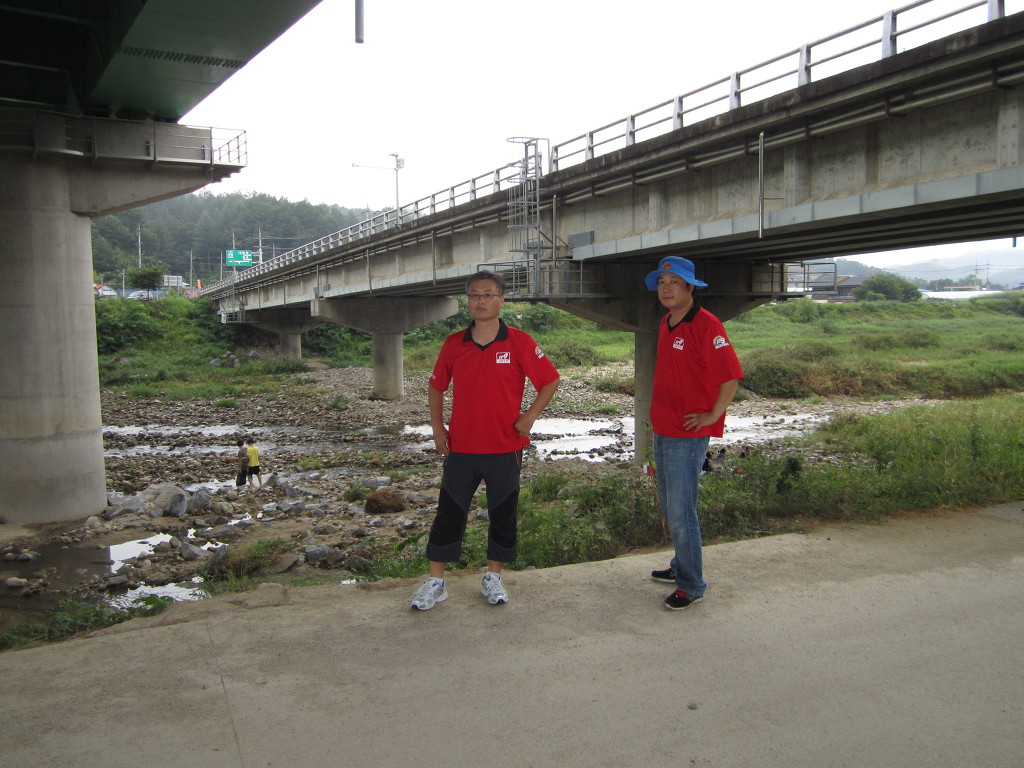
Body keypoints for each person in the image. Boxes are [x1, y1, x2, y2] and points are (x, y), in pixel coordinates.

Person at [411, 270, 560, 611]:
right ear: (468, 301)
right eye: (474, 295)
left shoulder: (520, 342)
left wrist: (530, 416)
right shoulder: (454, 343)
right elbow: (436, 386)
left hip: (505, 447)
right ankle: (436, 582)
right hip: (461, 447)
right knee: (448, 513)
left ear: (501, 300)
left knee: (503, 514)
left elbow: (550, 380)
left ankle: (493, 576)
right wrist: (437, 427)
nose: (481, 300)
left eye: (488, 294)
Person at [645, 256, 743, 611]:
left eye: (674, 282)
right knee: (670, 504)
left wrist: (713, 415)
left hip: (686, 435)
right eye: (661, 282)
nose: (666, 288)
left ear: (691, 287)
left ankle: (691, 584)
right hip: (664, 428)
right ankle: (680, 565)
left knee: (681, 511)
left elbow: (730, 375)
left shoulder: (707, 325)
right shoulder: (667, 321)